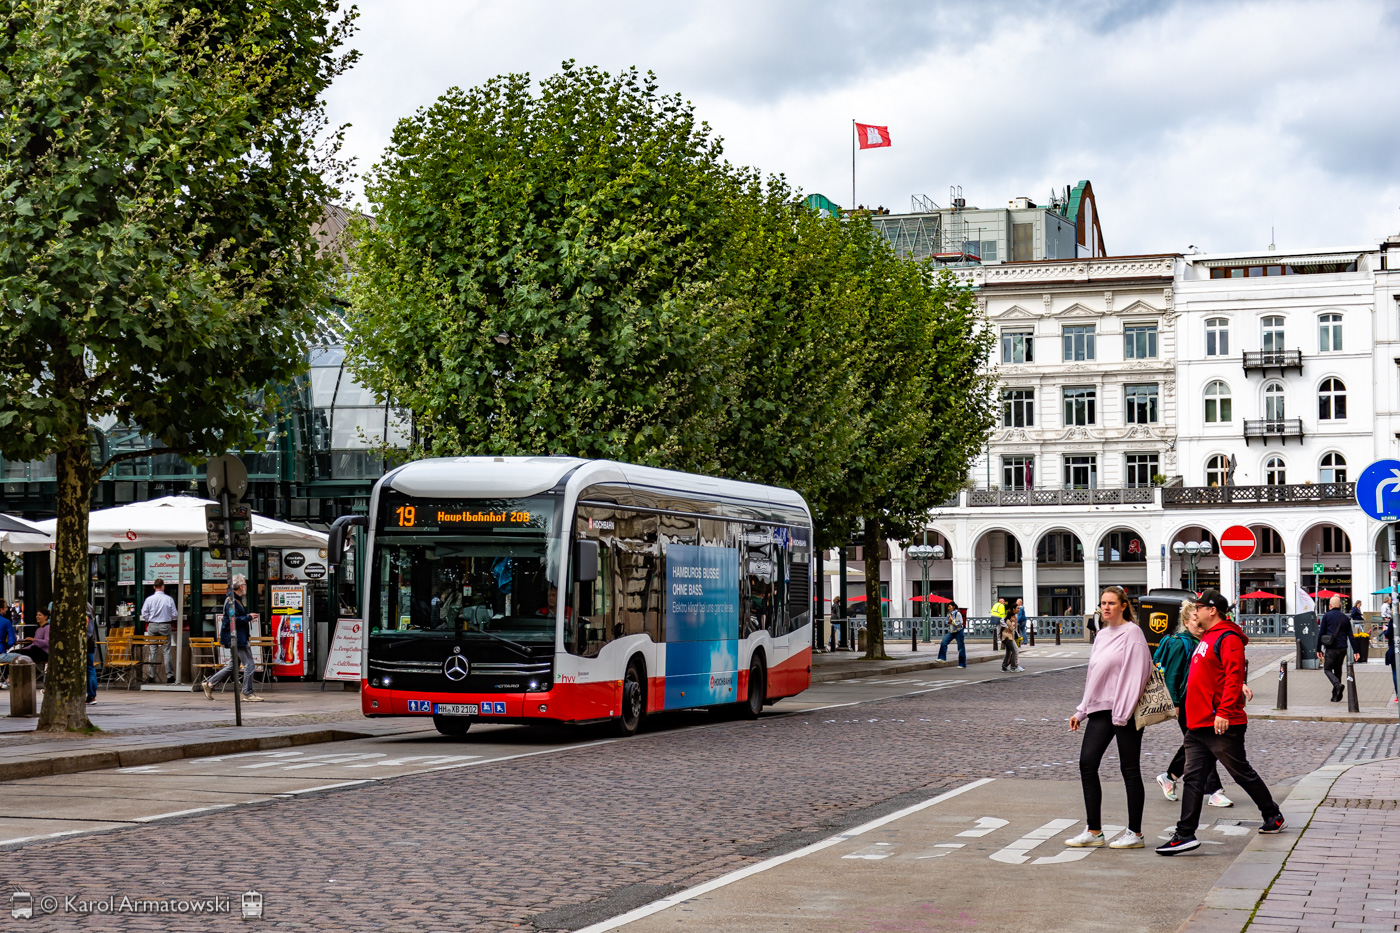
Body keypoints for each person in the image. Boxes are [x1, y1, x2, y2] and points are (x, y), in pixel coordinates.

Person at [1158, 589, 1285, 854]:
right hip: (1199, 723)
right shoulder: (1208, 637)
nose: (1195, 612)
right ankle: (1185, 834)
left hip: (1219, 722)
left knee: (1241, 772)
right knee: (1194, 779)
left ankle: (1272, 815)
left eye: (1199, 608)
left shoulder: (1228, 637)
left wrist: (1224, 711)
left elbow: (1233, 674)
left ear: (1212, 610)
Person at [1066, 586, 1153, 849]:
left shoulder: (1133, 633)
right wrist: (1082, 710)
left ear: (1123, 606)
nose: (1106, 607)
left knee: (1129, 769)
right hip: (1100, 711)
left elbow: (1137, 675)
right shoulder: (1102, 635)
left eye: (1111, 603)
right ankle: (1094, 831)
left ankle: (1135, 833)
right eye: (1103, 603)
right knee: (1087, 763)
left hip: (1126, 711)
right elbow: (1094, 677)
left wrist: (1123, 713)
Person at [1154, 601, 1232, 808]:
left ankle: (1170, 776)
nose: (1199, 624)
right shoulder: (1181, 644)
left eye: (1200, 620)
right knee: (1206, 743)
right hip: (1186, 702)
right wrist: (1175, 704)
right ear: (1186, 622)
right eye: (1195, 621)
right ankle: (1214, 791)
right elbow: (1173, 676)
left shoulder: (1204, 641)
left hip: (1201, 701)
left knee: (1197, 743)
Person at [202, 575, 261, 702]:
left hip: (237, 637)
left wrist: (247, 617)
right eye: (244, 584)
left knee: (233, 665)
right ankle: (247, 693)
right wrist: (248, 617)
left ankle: (209, 684)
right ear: (240, 586)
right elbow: (232, 620)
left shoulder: (235, 600)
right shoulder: (231, 601)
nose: (245, 587)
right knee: (249, 664)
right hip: (237, 638)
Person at [1317, 595, 1361, 703]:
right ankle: (1336, 696)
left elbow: (1320, 633)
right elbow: (1351, 636)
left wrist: (1318, 649)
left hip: (1331, 648)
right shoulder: (1345, 618)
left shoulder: (1326, 617)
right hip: (1342, 648)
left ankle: (1337, 685)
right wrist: (1356, 651)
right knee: (1338, 670)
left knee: (1327, 669)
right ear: (1340, 606)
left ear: (1330, 606)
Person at [139, 578, 178, 684]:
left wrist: (150, 619)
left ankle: (151, 676)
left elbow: (144, 613)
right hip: (165, 625)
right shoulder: (169, 599)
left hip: (152, 625)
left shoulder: (149, 599)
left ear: (154, 587)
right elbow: (175, 614)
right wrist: (168, 617)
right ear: (163, 586)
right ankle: (170, 676)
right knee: (166, 651)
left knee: (153, 650)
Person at [938, 602, 967, 668]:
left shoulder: (958, 613)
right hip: (951, 631)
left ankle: (962, 664)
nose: (949, 608)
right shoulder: (949, 614)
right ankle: (942, 658)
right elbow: (946, 622)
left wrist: (952, 621)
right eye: (948, 607)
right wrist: (949, 621)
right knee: (944, 642)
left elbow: (959, 623)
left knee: (961, 648)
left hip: (959, 631)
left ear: (954, 607)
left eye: (950, 606)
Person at [85, 603, 99, 704]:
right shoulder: (89, 606)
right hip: (90, 642)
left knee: (89, 668)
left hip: (83, 643)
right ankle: (92, 695)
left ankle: (91, 695)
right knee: (90, 668)